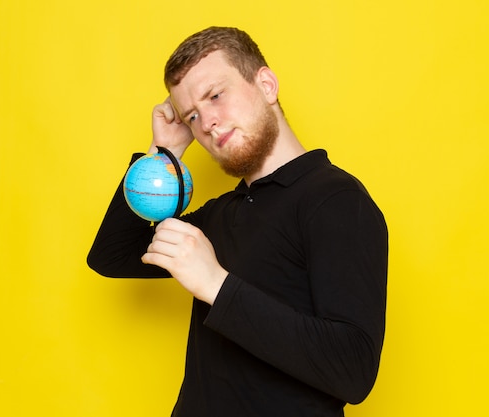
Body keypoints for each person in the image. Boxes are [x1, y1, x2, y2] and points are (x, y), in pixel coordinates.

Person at [87, 26, 388, 417]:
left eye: (215, 95)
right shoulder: (222, 213)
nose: (207, 122)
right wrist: (162, 153)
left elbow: (353, 370)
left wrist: (215, 283)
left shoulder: (336, 201)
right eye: (192, 115)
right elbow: (112, 255)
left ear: (266, 84)